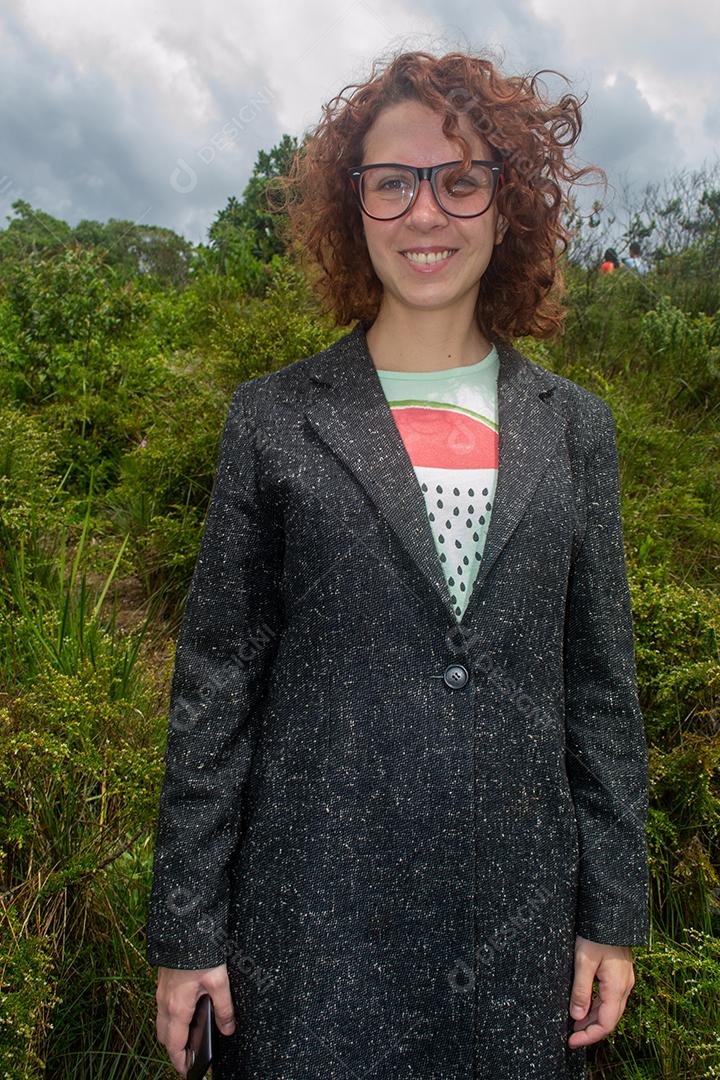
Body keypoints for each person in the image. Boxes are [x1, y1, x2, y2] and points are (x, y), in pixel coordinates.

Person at [146, 47, 650, 1079]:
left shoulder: (575, 430)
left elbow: (600, 691)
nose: (428, 212)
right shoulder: (274, 419)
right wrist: (188, 930)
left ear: (508, 208)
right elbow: (214, 691)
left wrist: (612, 915)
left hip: (519, 946)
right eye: (395, 181)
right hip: (308, 942)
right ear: (356, 203)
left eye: (462, 179)